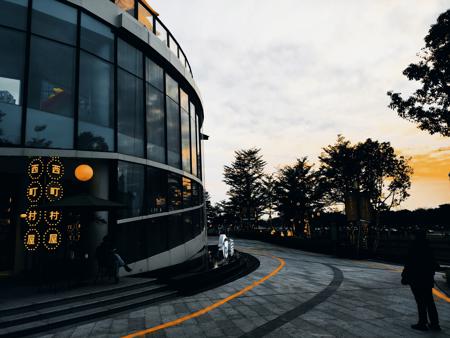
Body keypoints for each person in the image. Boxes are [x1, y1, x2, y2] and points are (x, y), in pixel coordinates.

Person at [401, 229, 440, 331]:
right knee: (429, 301)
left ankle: (422, 323)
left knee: (420, 301)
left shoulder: (414, 248)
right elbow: (434, 264)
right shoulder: (428, 247)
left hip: (416, 278)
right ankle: (435, 324)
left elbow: (409, 264)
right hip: (427, 278)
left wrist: (404, 276)